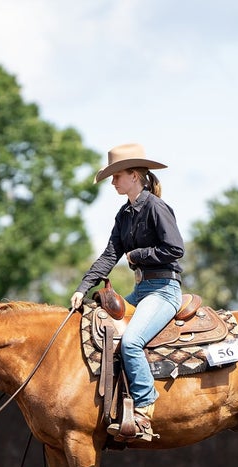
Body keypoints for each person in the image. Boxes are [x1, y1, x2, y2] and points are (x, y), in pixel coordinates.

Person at [70, 143, 185, 441]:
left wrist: (137, 256)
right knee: (95, 323)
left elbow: (175, 248)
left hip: (164, 290)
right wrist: (83, 288)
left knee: (132, 341)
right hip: (142, 290)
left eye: (116, 176)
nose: (113, 182)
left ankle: (144, 410)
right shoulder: (124, 215)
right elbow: (110, 255)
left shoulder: (156, 207)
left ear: (134, 175)